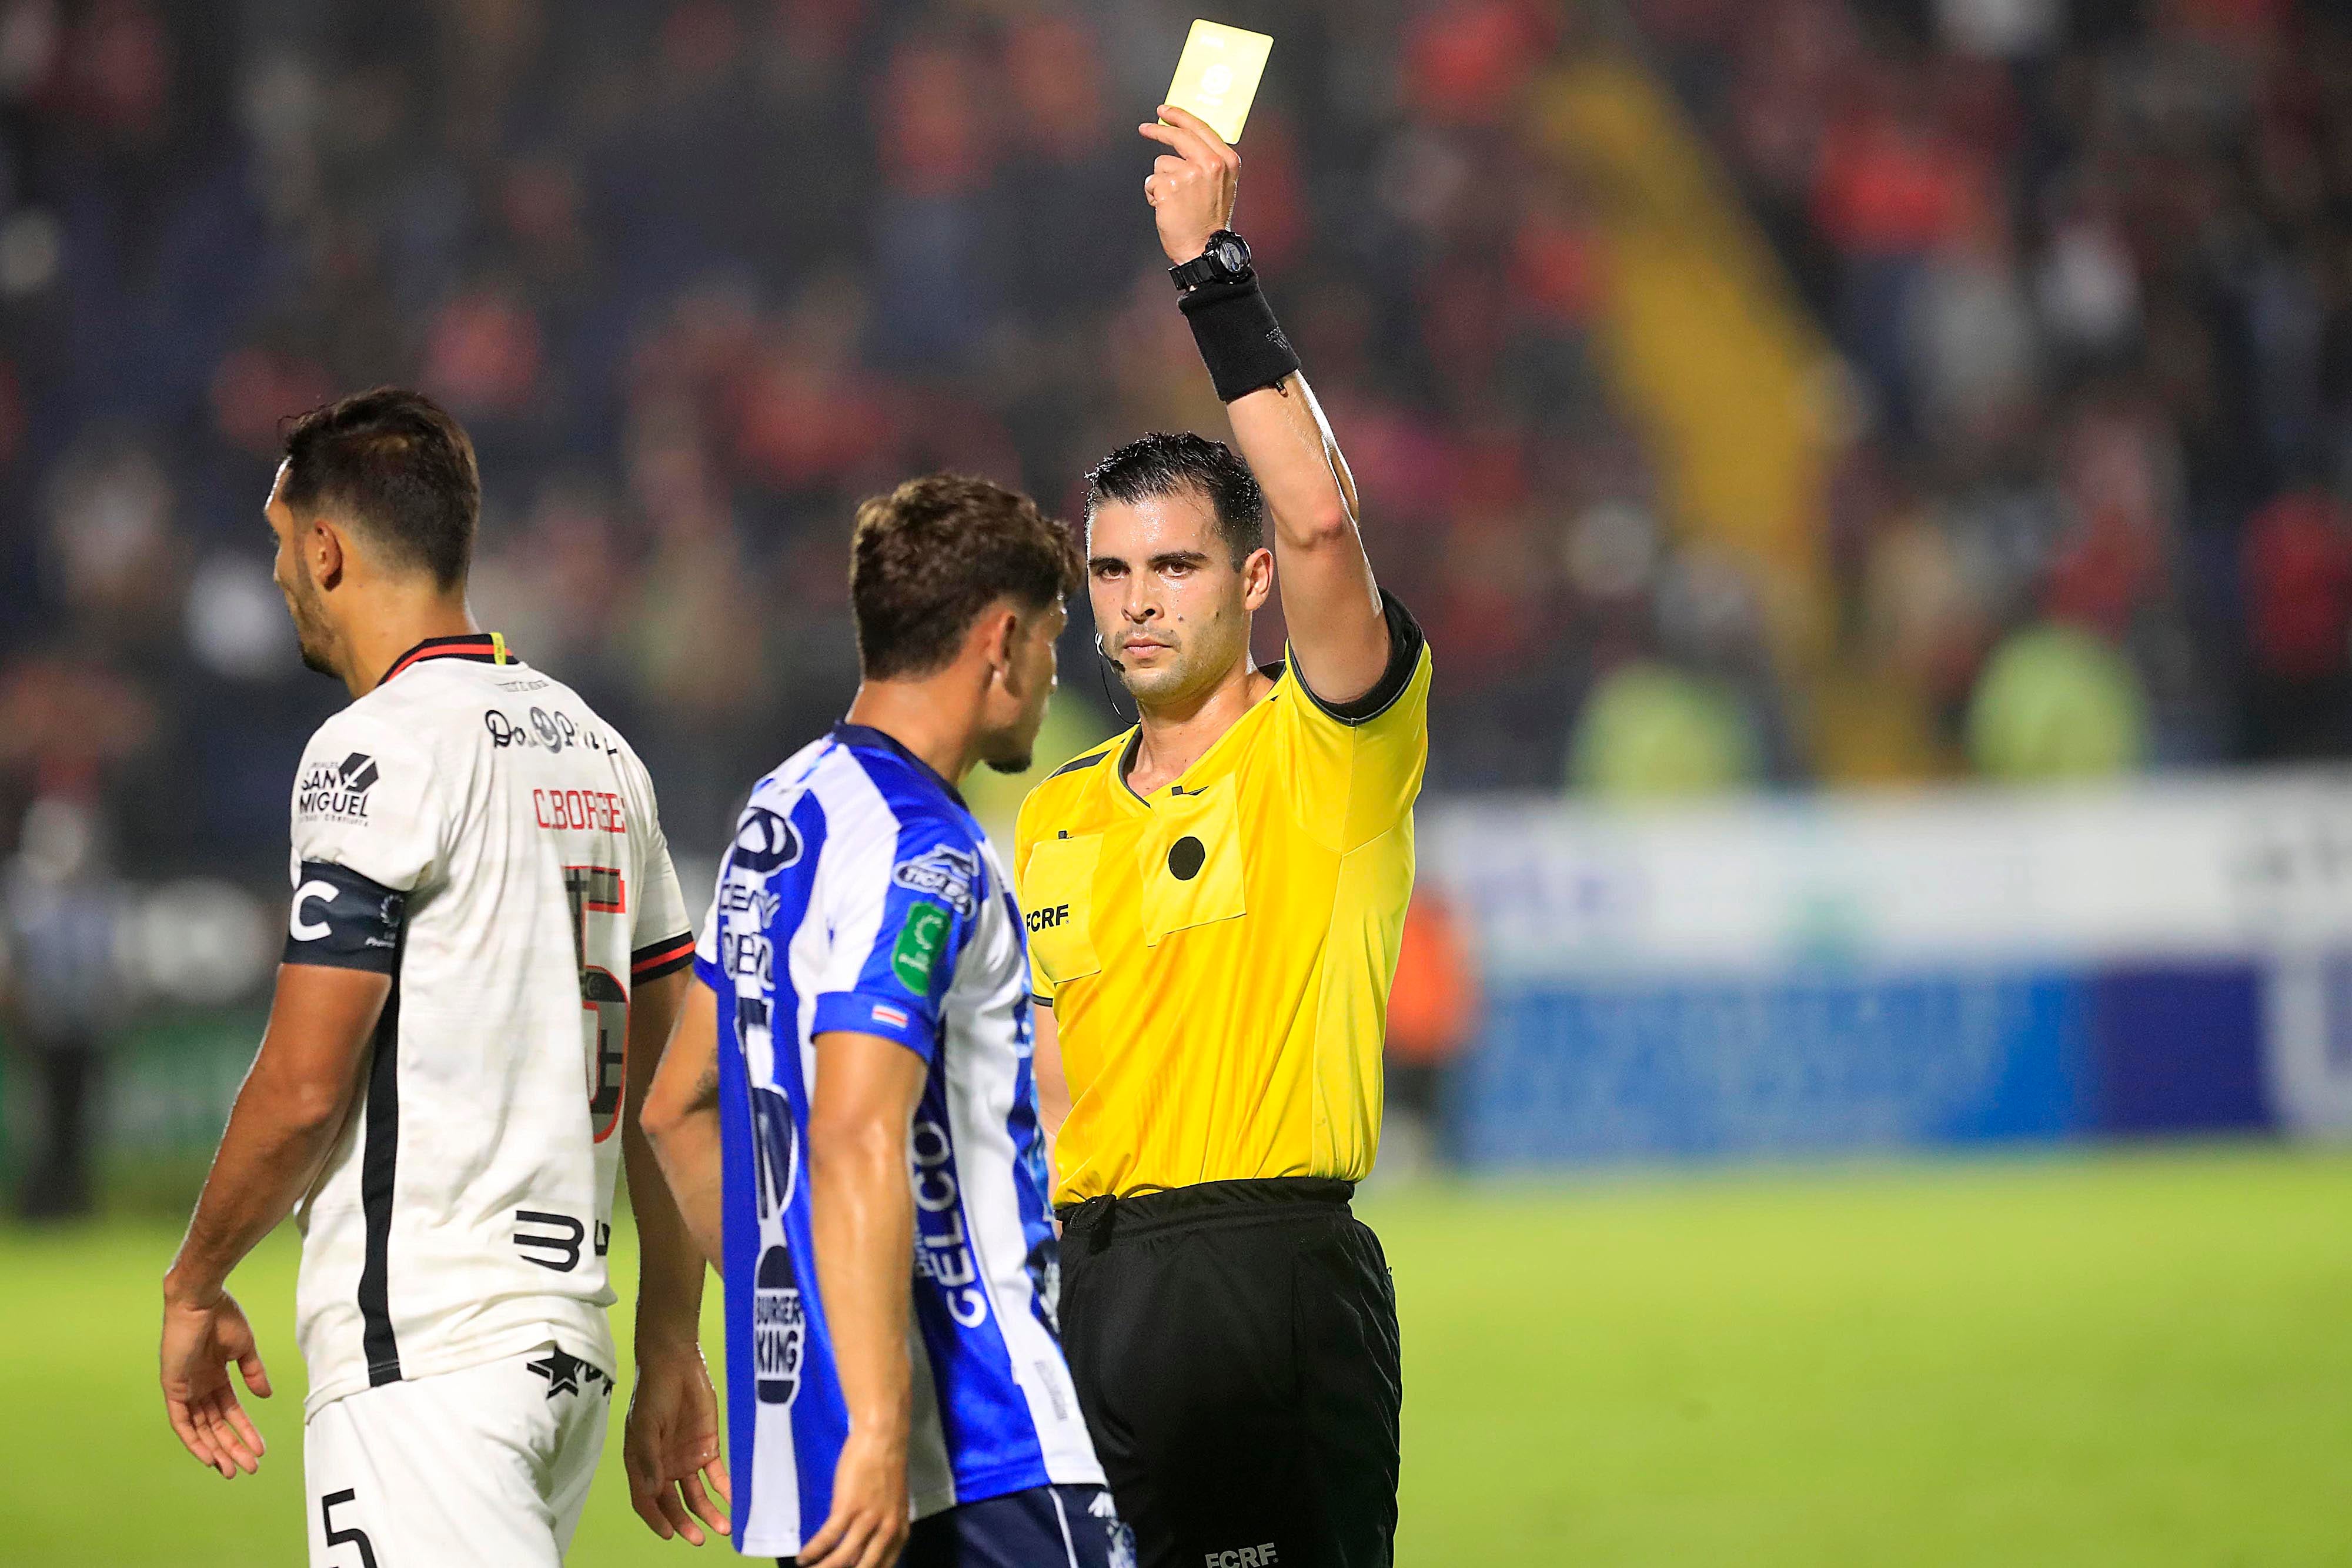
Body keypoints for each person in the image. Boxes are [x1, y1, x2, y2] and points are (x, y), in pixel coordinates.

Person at [156, 388, 727, 1566]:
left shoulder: (376, 748)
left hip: (427, 1351)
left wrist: (195, 1282)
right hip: (566, 1347)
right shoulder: (599, 750)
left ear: (327, 549)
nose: (277, 574)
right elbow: (677, 1085)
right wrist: (672, 1337)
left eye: (281, 543)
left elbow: (305, 1085)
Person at [1012, 106, 1432, 1567]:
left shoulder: (1325, 752)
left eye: (1176, 564)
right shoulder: (1057, 810)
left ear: (1249, 581)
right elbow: (1051, 1083)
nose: (1136, 600)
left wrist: (1212, 274)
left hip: (1267, 1285)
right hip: (1086, 1292)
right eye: (1111, 569)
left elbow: (1321, 522)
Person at [642, 473, 1126, 1567]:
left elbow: (676, 1109)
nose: (1055, 675)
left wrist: (820, 1341)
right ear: (1002, 643)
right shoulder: (928, 852)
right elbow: (860, 1128)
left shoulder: (780, 812)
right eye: (1054, 639)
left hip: (816, 1464)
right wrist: (879, 1419)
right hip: (982, 1449)